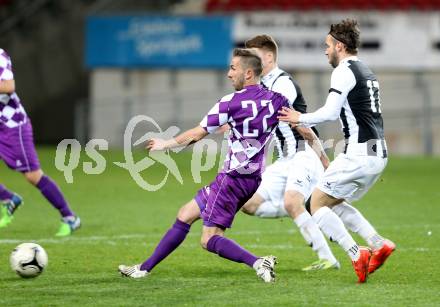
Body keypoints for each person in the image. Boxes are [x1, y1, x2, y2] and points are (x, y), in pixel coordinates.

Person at [118, 48, 291, 282]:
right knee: (186, 213)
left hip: (232, 178)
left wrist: (165, 143)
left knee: (209, 239)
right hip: (251, 178)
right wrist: (320, 155)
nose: (229, 73)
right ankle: (143, 268)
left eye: (233, 68)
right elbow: (299, 124)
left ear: (248, 73)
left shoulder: (230, 102)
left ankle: (259, 262)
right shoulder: (276, 99)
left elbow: (197, 134)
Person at [278, 19, 395, 283]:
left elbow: (330, 112)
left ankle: (356, 254)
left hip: (359, 153)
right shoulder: (365, 69)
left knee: (313, 203)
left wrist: (300, 117)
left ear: (340, 46)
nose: (325, 50)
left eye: (327, 45)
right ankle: (378, 243)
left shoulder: (343, 71)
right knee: (333, 201)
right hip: (378, 154)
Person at [241, 35, 340, 271]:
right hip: (286, 158)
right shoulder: (262, 86)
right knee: (248, 203)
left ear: (268, 57)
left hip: (304, 154)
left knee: (291, 201)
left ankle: (327, 257)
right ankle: (304, 206)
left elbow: (300, 125)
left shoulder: (283, 84)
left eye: (253, 57)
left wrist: (324, 160)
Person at [0, 48, 80, 236]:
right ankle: (8, 198)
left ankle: (70, 217)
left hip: (13, 126)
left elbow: (9, 86)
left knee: (32, 176)